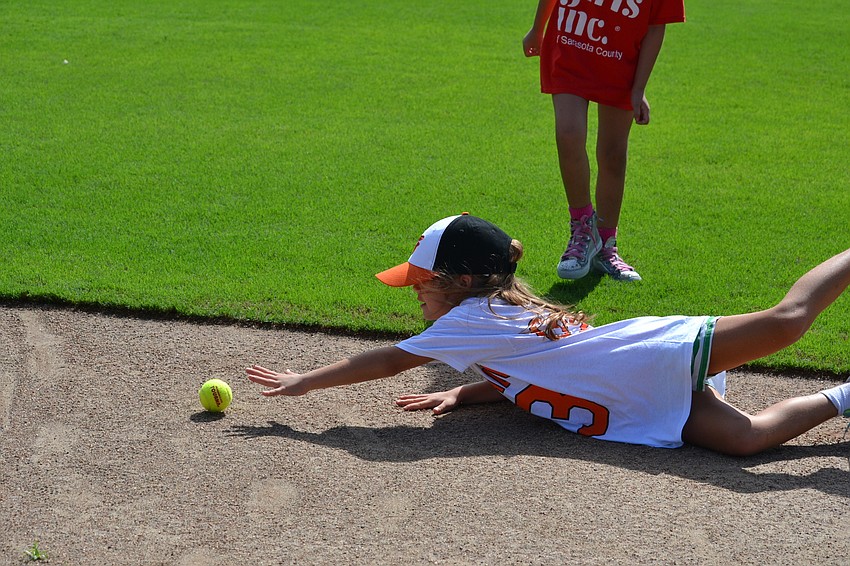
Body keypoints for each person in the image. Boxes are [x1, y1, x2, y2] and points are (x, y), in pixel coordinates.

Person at [246, 214, 850, 456]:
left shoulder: (468, 320)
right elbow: (532, 368)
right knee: (745, 441)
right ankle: (845, 396)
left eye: (421, 281)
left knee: (788, 321)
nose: (413, 290)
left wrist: (305, 382)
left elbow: (384, 362)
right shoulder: (490, 317)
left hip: (645, 354)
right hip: (632, 392)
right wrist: (464, 393)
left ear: (461, 281)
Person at [522, 0, 686, 282]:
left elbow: (656, 26)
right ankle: (583, 228)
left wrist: (639, 89)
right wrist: (538, 30)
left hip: (622, 62)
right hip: (570, 49)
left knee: (612, 154)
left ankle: (606, 246)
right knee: (568, 134)